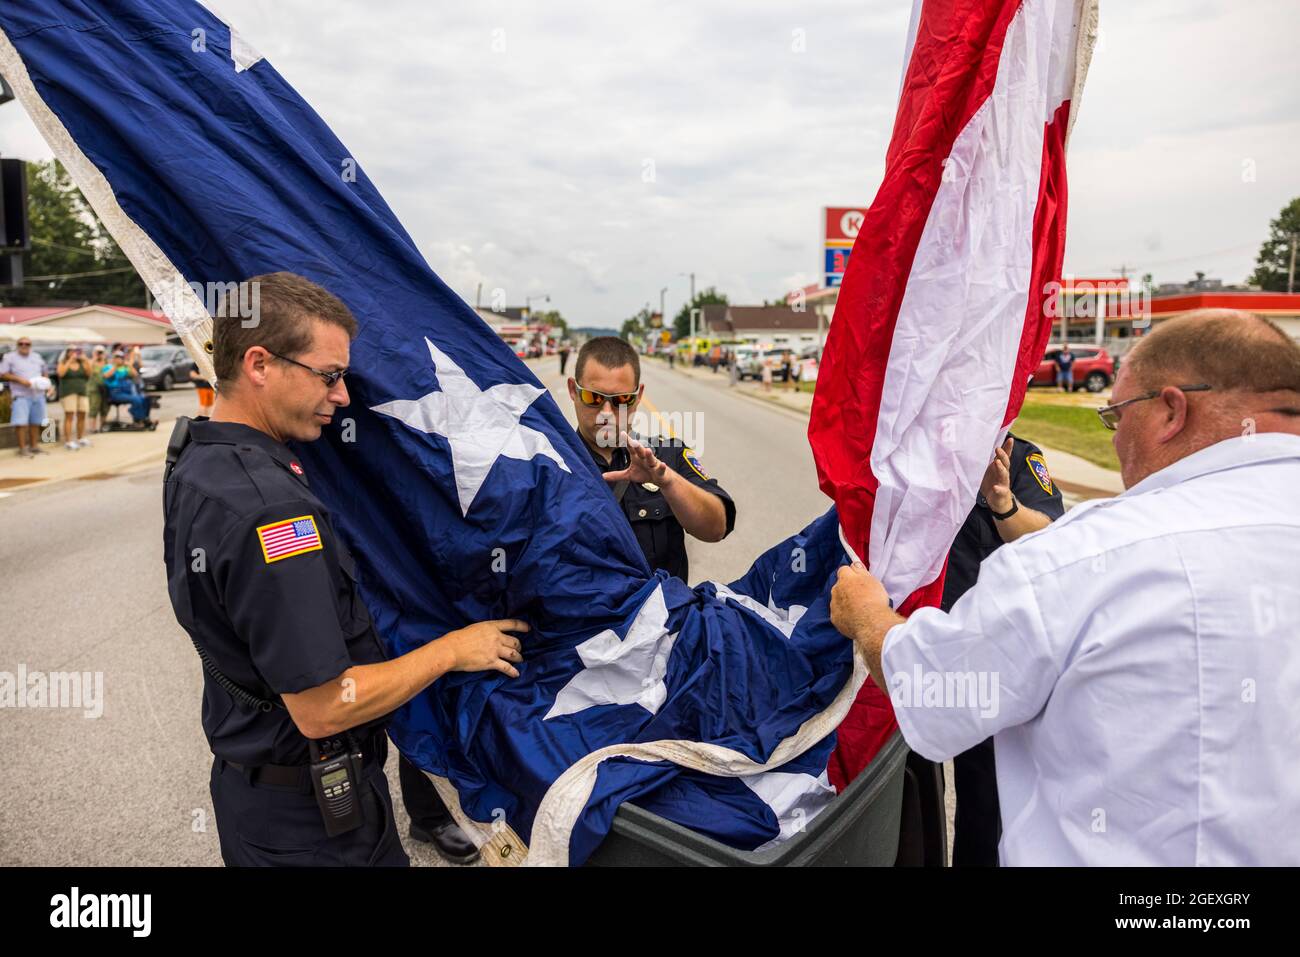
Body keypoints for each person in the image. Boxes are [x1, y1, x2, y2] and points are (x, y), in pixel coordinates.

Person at [829, 309, 1300, 865]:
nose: (1116, 435)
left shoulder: (1084, 552)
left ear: (1171, 410)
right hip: (994, 654)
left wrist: (867, 618)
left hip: (978, 662)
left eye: (1115, 415)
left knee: (986, 802)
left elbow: (933, 687)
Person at [163, 271, 527, 866]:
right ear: (260, 364)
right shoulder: (274, 511)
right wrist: (455, 649)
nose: (342, 397)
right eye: (329, 376)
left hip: (260, 799)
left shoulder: (199, 458)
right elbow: (324, 706)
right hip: (314, 827)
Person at [941, 433, 1063, 867]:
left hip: (984, 648)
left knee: (985, 794)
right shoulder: (908, 443)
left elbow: (1048, 537)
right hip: (907, 639)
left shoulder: (1018, 453)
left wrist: (1001, 500)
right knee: (903, 788)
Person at [567, 336, 735, 582]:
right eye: (594, 398)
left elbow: (716, 528)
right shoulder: (551, 464)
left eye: (621, 400)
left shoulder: (666, 455)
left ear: (638, 396)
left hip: (662, 614)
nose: (606, 413)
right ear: (573, 390)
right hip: (588, 617)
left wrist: (667, 481)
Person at [1, 336, 49, 458]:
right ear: (17, 345)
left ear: (30, 345)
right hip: (21, 395)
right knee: (21, 423)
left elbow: (45, 370)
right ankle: (22, 449)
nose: (24, 346)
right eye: (21, 343)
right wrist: (20, 380)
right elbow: (3, 374)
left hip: (37, 394)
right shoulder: (10, 357)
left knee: (36, 422)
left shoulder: (36, 357)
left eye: (27, 344)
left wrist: (45, 381)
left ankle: (34, 446)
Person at [102, 350, 154, 427]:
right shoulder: (108, 367)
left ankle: (145, 418)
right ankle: (138, 419)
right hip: (115, 393)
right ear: (113, 358)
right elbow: (106, 376)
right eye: (116, 357)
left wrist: (129, 365)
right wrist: (115, 366)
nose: (118, 359)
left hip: (126, 392)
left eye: (120, 357)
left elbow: (135, 374)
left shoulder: (124, 368)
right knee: (136, 400)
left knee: (144, 399)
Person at [57, 345, 95, 449]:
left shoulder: (82, 363)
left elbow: (89, 373)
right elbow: (60, 373)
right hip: (68, 393)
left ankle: (80, 438)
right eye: (72, 351)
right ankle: (68, 441)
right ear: (67, 352)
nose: (75, 353)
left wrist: (86, 359)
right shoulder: (63, 362)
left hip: (82, 392)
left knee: (82, 415)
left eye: (77, 351)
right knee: (69, 416)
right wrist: (70, 361)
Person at [86, 345, 108, 434]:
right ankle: (92, 428)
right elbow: (87, 372)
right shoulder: (90, 362)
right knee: (94, 408)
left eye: (101, 352)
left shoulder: (106, 363)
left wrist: (103, 359)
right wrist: (94, 359)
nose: (99, 354)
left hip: (105, 389)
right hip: (94, 389)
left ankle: (103, 426)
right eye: (97, 352)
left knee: (104, 408)